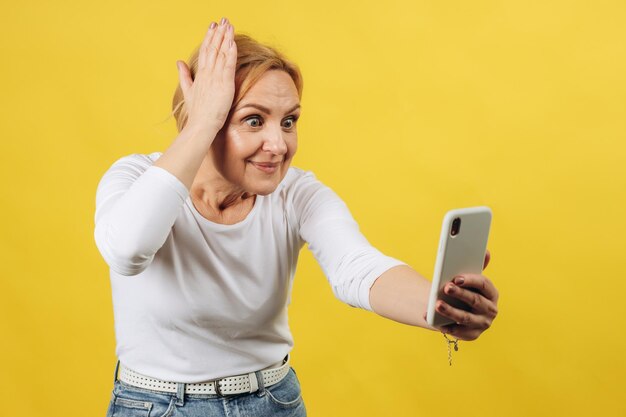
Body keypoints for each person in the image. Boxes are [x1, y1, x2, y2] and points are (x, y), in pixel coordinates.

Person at [95, 17, 499, 417]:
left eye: (289, 121)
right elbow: (128, 250)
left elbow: (356, 267)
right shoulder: (136, 177)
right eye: (253, 120)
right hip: (156, 405)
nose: (278, 144)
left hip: (272, 402)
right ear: (204, 118)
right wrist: (201, 123)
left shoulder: (296, 193)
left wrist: (437, 309)